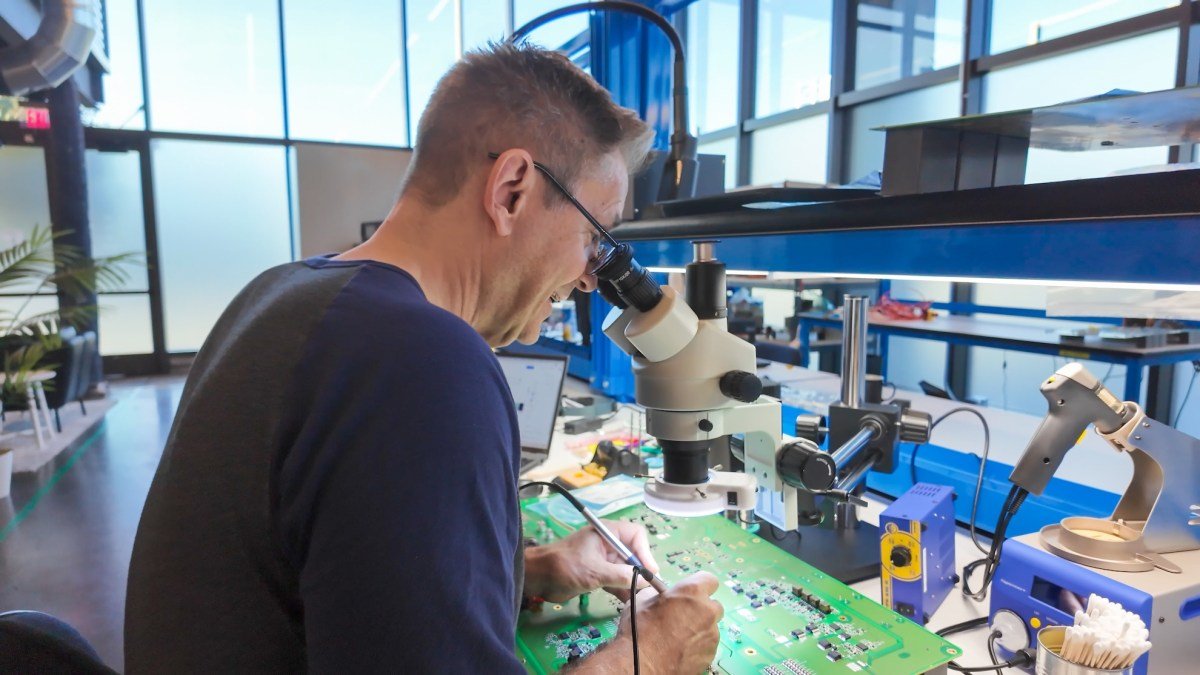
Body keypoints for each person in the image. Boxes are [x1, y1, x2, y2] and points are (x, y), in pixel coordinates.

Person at [125, 42, 723, 673]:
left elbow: (330, 571)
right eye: (592, 238)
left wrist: (533, 569)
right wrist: (652, 654)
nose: (585, 278)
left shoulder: (280, 292)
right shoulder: (426, 362)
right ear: (512, 190)